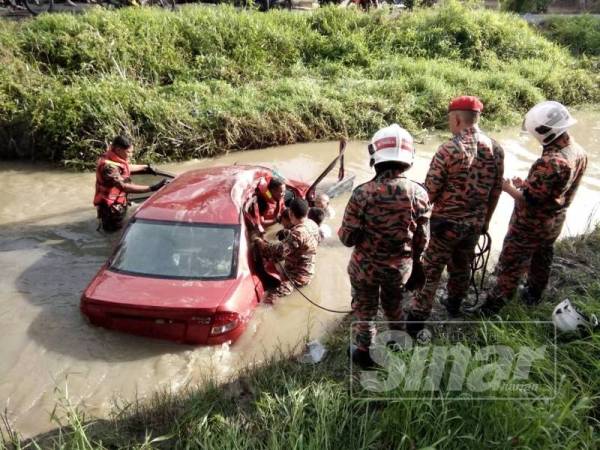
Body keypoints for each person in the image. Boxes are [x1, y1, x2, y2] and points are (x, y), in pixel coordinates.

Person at [478, 101, 587, 314]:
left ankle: (492, 308)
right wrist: (528, 184)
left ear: (543, 131)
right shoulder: (578, 151)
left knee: (511, 265)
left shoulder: (552, 162)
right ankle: (534, 295)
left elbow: (529, 201)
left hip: (530, 225)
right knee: (542, 257)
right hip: (554, 221)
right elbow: (553, 190)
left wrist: (508, 187)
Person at [407, 96, 504, 329]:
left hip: (445, 225)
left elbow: (428, 192)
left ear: (458, 119)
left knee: (430, 271)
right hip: (474, 224)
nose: (450, 124)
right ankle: (454, 304)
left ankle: (416, 320)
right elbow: (496, 191)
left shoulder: (449, 149)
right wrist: (485, 222)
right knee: (462, 266)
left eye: (450, 119)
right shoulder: (496, 149)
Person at [339, 124, 431, 369]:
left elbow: (347, 238)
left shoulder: (362, 194)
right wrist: (416, 266)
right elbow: (422, 240)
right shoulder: (419, 194)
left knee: (365, 312)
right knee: (394, 307)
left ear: (375, 157)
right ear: (408, 160)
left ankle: (363, 353)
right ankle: (397, 343)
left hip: (364, 270)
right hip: (398, 270)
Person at [94, 135, 168, 232]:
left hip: (117, 203)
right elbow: (124, 186)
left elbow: (123, 167)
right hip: (110, 209)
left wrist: (145, 167)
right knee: (113, 236)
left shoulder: (111, 156)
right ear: (118, 149)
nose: (131, 155)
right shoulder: (108, 168)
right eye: (129, 152)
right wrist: (152, 188)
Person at [254, 198, 320, 304]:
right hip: (309, 271)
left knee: (269, 299)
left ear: (291, 213)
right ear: (307, 211)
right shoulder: (312, 224)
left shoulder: (298, 234)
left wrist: (259, 242)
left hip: (296, 278)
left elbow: (276, 252)